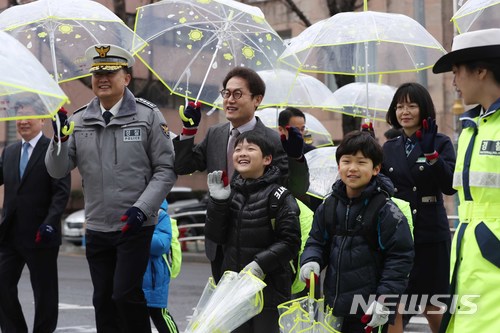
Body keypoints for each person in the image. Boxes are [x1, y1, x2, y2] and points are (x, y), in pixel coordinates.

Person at [45, 44, 177, 333]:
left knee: (125, 295)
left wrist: (142, 210)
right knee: (102, 299)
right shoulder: (78, 121)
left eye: (110, 72)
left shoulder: (148, 116)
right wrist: (59, 140)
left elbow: (166, 170)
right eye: (97, 73)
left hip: (135, 225)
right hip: (97, 227)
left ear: (126, 78)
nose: (102, 78)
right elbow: (57, 169)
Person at [173, 67, 309, 282]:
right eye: (226, 93)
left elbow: (295, 189)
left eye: (238, 94)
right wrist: (189, 131)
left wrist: (296, 158)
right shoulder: (215, 133)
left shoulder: (273, 140)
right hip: (219, 241)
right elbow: (182, 166)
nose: (229, 100)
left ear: (257, 99)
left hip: (257, 243)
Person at [300, 130, 414, 333]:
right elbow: (316, 241)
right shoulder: (329, 205)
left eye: (361, 162)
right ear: (339, 166)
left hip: (368, 310)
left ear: (376, 168)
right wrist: (311, 260)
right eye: (347, 161)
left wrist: (384, 300)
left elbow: (400, 258)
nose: (352, 168)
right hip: (333, 306)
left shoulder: (386, 210)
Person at [432, 28, 500, 333]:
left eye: (457, 71)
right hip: (468, 258)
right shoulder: (472, 127)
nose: (453, 81)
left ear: (481, 71)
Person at [204, 131, 301, 333]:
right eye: (238, 149)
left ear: (267, 159)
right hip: (233, 291)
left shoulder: (279, 196)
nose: (242, 153)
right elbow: (216, 236)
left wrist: (260, 264)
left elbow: (290, 242)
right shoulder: (231, 193)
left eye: (250, 148)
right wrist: (218, 202)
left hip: (269, 291)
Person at [382, 82, 456, 333]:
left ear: (423, 109)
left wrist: (432, 154)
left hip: (430, 232)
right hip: (399, 234)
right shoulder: (389, 147)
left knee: (433, 303)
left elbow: (450, 186)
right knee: (395, 303)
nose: (405, 111)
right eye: (400, 106)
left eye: (412, 105)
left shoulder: (441, 141)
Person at [0, 99, 71, 333]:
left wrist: (50, 223)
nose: (22, 121)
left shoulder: (55, 150)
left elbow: (61, 194)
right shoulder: (9, 152)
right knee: (2, 284)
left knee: (44, 292)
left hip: (42, 234)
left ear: (42, 120)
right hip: (10, 234)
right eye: (19, 116)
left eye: (28, 116)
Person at [143, 199, 179, 333]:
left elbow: (160, 245)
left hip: (153, 278)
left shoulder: (160, 214)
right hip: (136, 275)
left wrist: (140, 232)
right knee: (134, 318)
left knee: (159, 313)